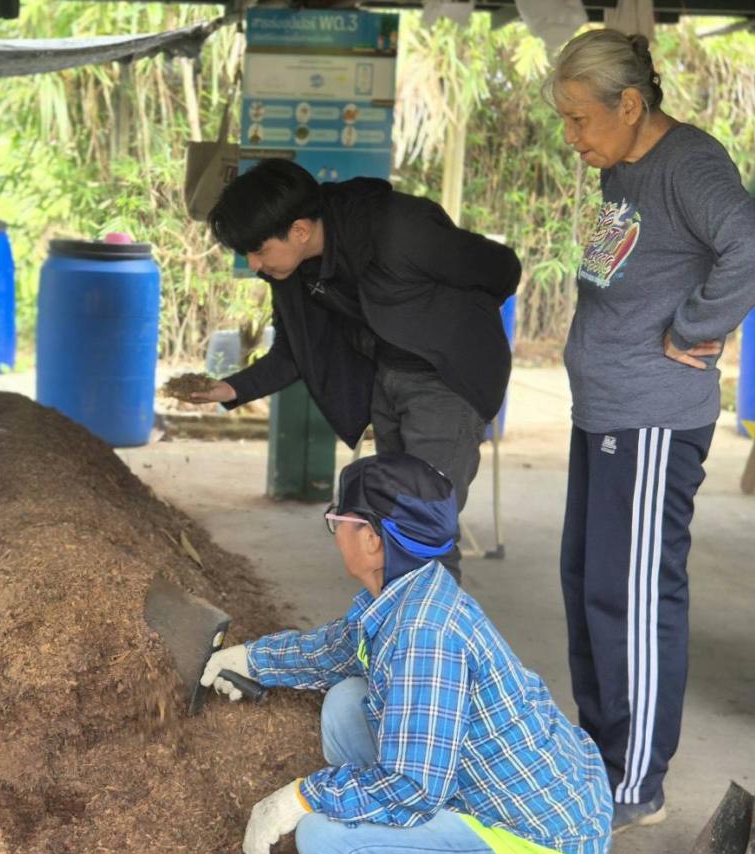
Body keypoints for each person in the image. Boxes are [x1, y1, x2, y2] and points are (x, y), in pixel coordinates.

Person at [201, 453, 612, 854]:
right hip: (506, 796)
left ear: (372, 539)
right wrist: (250, 660)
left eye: (338, 521)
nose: (334, 532)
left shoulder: (423, 636)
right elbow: (339, 649)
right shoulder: (413, 589)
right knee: (347, 700)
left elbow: (413, 787)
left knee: (323, 839)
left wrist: (297, 798)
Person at [548, 30, 755, 831]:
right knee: (587, 586)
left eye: (580, 119)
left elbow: (748, 242)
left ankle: (634, 781)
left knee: (629, 597)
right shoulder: (625, 168)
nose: (572, 137)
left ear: (630, 104)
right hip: (606, 413)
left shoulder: (688, 165)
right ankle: (601, 757)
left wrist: (696, 325)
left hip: (651, 419)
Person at [189, 158, 521, 579]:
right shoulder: (295, 270)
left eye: (258, 250)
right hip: (389, 379)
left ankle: (434, 624)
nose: (254, 264)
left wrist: (449, 327)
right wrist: (231, 389)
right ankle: (397, 620)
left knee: (424, 528)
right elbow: (294, 352)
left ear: (300, 230)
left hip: (447, 383)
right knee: (390, 523)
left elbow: (501, 268)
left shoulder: (400, 229)